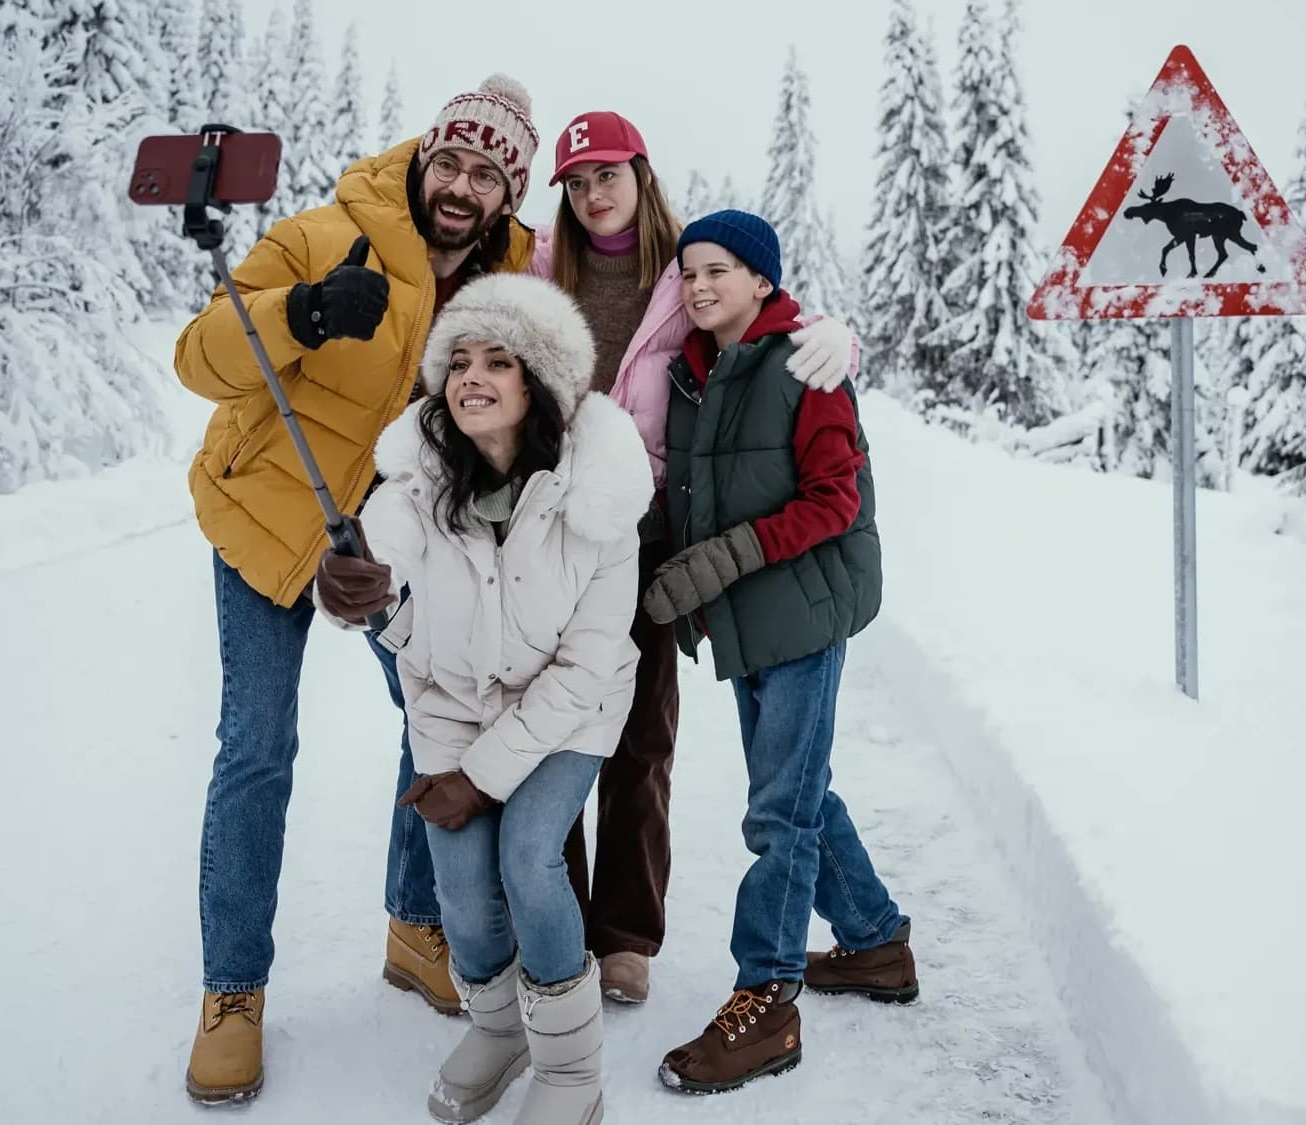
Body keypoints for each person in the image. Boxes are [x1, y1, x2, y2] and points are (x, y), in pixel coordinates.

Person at [172, 74, 544, 1103]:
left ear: (507, 196)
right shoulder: (323, 234)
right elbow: (199, 357)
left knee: (436, 724)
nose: (461, 185)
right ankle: (232, 990)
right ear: (423, 159)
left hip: (387, 550)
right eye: (450, 161)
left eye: (487, 174)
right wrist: (299, 313)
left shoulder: (507, 291)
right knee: (257, 747)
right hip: (267, 522)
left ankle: (414, 926)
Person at [524, 109, 858, 1006]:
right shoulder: (537, 270)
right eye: (576, 181)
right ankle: (555, 923)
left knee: (641, 734)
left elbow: (765, 312)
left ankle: (626, 934)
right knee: (551, 729)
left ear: (641, 173)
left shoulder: (683, 276)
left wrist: (836, 333)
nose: (593, 194)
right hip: (552, 536)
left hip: (649, 538)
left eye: (608, 173)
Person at [313, 272, 646, 1125]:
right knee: (458, 881)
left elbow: (586, 666)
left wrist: (480, 778)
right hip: (457, 705)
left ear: (539, 381)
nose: (472, 377)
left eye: (498, 361)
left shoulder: (600, 495)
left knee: (529, 856)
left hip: (571, 708)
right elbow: (378, 560)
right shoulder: (418, 483)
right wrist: (347, 584)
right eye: (459, 361)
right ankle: (500, 1029)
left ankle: (570, 1065)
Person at [638, 211, 916, 1095]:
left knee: (778, 813)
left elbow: (836, 499)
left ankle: (767, 998)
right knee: (796, 792)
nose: (699, 286)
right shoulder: (695, 372)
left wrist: (725, 559)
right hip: (750, 618)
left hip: (802, 612)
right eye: (688, 273)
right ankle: (875, 941)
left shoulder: (807, 364)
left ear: (761, 279)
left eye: (718, 270)